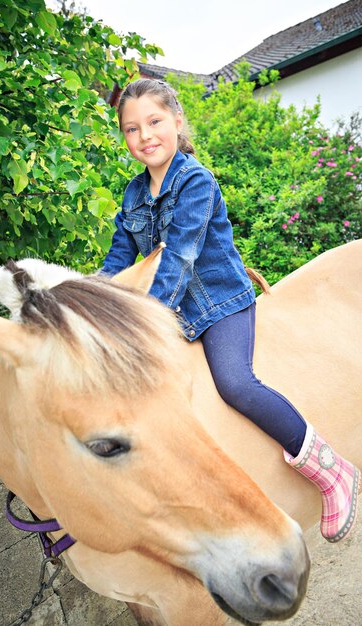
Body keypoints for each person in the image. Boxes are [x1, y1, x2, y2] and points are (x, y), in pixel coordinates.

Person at [101, 78, 360, 543]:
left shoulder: (195, 182)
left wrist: (146, 319)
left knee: (236, 383)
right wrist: (89, 302)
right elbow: (118, 262)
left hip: (219, 306)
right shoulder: (132, 196)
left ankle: (331, 470)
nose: (145, 136)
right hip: (175, 319)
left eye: (154, 122)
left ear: (177, 122)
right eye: (132, 129)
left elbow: (178, 258)